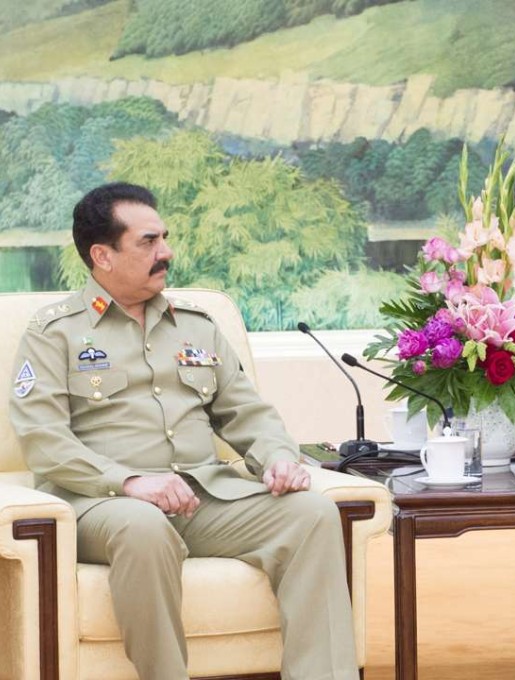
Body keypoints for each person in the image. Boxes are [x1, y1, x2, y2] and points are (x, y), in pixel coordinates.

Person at [8, 183, 359, 680]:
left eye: (164, 239)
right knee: (143, 526)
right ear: (102, 256)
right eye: (148, 242)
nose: (166, 252)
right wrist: (131, 483)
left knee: (312, 514)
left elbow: (246, 411)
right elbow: (44, 440)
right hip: (103, 505)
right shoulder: (54, 332)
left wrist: (278, 456)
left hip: (202, 495)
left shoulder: (196, 325)